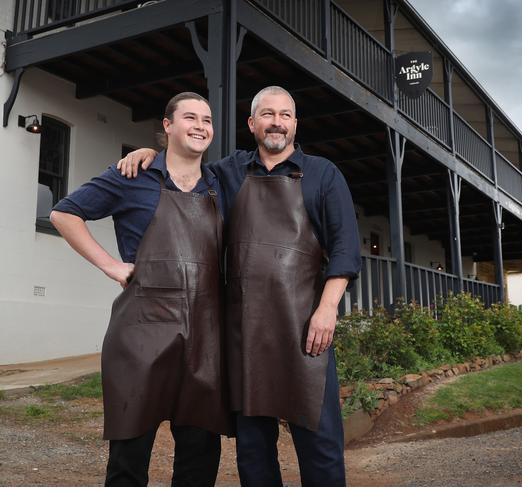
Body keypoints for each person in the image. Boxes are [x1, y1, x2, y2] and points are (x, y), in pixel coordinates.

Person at [118, 86, 361, 487]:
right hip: (244, 333)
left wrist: (328, 308)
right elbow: (184, 169)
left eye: (285, 115)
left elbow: (346, 248)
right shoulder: (227, 173)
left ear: (295, 123)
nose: (277, 122)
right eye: (268, 114)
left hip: (306, 328)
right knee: (253, 452)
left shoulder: (323, 174)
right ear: (252, 123)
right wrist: (149, 155)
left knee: (320, 448)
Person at [51, 92, 232, 487]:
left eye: (207, 119)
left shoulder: (223, 181)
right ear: (168, 125)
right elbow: (64, 214)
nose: (201, 126)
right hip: (140, 334)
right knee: (128, 463)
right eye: (190, 117)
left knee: (200, 462)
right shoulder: (131, 175)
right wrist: (111, 266)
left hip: (203, 340)